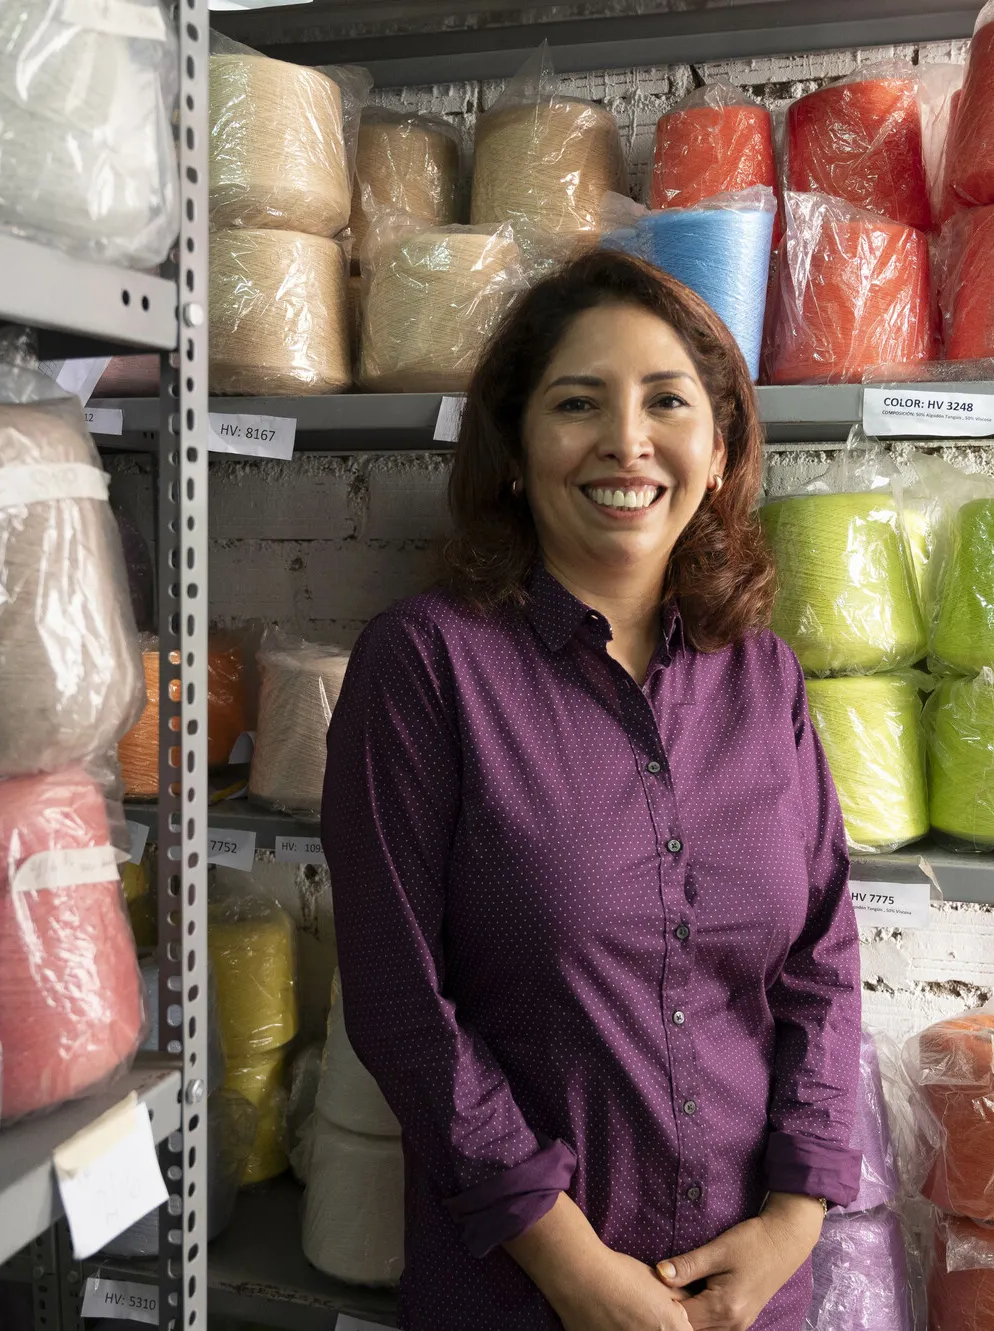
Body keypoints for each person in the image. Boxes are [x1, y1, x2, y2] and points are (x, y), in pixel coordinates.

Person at [321, 250, 862, 1331]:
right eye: (578, 403)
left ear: (716, 451)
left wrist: (795, 1214)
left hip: (752, 1291)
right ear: (516, 450)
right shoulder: (425, 667)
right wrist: (569, 1264)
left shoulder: (762, 676)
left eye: (666, 401)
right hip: (521, 1292)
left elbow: (821, 958)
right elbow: (398, 1001)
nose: (626, 440)